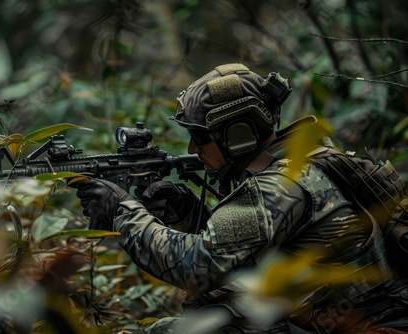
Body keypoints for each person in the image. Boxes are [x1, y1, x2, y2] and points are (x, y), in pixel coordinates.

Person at [74, 63, 408, 333]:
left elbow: (198, 268)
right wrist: (189, 213)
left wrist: (122, 209)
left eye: (199, 137)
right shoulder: (303, 161)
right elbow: (249, 248)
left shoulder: (281, 184)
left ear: (237, 136)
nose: (192, 149)